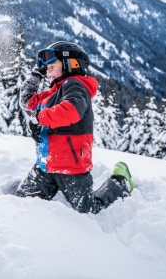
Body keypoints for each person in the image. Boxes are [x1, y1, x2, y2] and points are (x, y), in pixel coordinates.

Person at [15, 41, 134, 213]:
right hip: (45, 166)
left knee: (90, 210)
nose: (47, 72)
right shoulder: (52, 93)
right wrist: (36, 75)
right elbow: (27, 102)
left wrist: (39, 119)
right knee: (20, 203)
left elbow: (71, 110)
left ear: (71, 64)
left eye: (51, 67)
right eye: (46, 69)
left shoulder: (74, 85)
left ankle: (120, 181)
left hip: (70, 167)